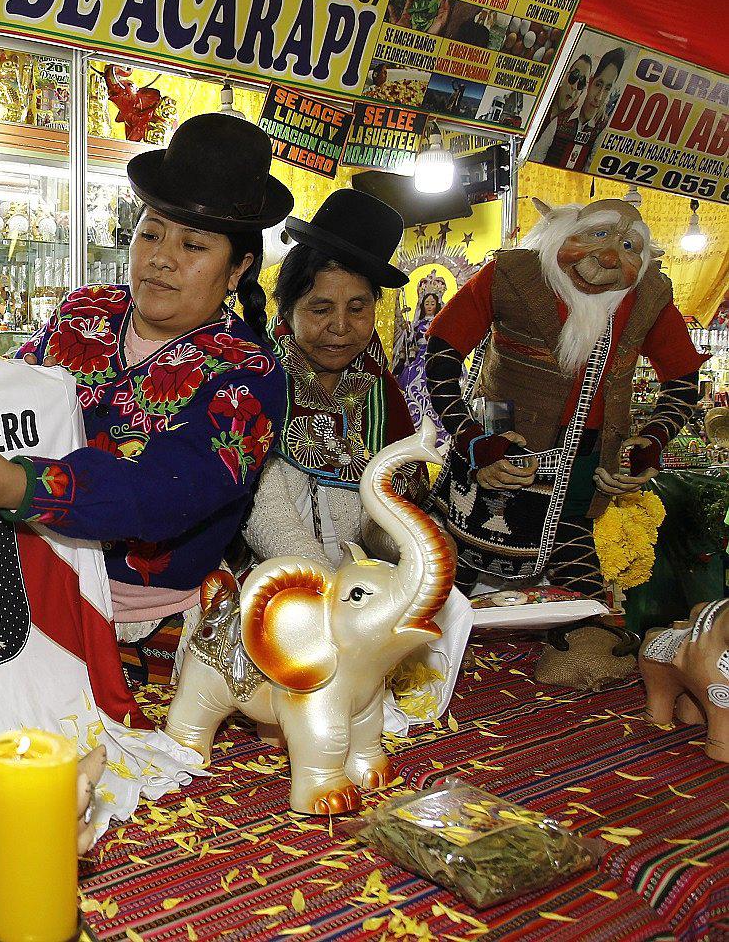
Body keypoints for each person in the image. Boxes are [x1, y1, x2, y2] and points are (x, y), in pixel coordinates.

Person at [0, 114, 290, 668]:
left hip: (151, 630)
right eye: (150, 232)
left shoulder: (248, 374)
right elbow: (5, 392)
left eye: (193, 245)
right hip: (28, 594)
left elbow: (167, 491)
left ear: (239, 267)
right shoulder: (87, 312)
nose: (161, 257)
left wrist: (19, 485)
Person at [425, 197, 703, 685]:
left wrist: (653, 441)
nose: (610, 256)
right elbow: (443, 351)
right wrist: (471, 438)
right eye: (597, 235)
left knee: (571, 533)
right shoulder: (511, 273)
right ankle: (433, 637)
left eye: (628, 245)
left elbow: (682, 381)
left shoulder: (650, 298)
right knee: (462, 541)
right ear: (563, 231)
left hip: (589, 450)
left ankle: (584, 642)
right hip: (498, 427)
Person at [243, 189, 417, 567]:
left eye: (358, 308)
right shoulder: (255, 380)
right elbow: (264, 511)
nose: (341, 327)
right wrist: (324, 583)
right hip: (275, 588)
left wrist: (407, 548)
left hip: (361, 594)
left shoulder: (381, 390)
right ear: (287, 310)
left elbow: (391, 505)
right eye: (321, 309)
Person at [394, 273, 448, 437]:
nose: (430, 306)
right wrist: (407, 333)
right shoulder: (416, 324)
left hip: (435, 360)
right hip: (418, 363)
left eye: (433, 303)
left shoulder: (442, 323)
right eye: (427, 303)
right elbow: (409, 344)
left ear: (437, 304)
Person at [531, 52, 592, 166]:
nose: (574, 87)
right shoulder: (541, 99)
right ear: (565, 75)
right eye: (574, 77)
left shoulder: (577, 122)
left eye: (581, 83)